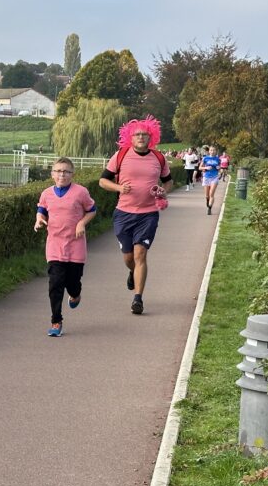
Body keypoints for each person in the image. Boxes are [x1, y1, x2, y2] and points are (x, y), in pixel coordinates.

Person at [99, 117, 173, 315]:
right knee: (129, 257)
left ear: (151, 137)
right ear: (130, 137)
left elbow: (168, 181)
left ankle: (138, 299)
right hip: (123, 213)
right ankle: (132, 271)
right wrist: (119, 188)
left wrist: (163, 191)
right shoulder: (121, 155)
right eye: (137, 134)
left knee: (140, 254)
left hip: (148, 214)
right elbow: (102, 181)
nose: (141, 137)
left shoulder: (159, 158)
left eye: (144, 134)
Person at [35, 157, 97, 337]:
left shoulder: (81, 192)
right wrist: (39, 219)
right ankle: (56, 321)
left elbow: (91, 210)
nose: (62, 175)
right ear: (52, 174)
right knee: (55, 284)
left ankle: (75, 295)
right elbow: (42, 209)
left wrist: (81, 223)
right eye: (58, 171)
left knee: (72, 283)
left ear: (72, 174)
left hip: (75, 244)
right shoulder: (46, 193)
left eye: (66, 171)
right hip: (54, 244)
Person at [200, 146, 221, 215]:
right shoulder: (205, 158)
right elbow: (200, 167)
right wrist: (206, 167)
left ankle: (209, 208)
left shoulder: (218, 159)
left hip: (214, 177)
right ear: (209, 151)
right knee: (207, 195)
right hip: (206, 177)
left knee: (211, 194)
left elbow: (220, 168)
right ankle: (207, 200)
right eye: (211, 150)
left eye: (214, 150)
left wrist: (219, 168)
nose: (212, 151)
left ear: (215, 151)